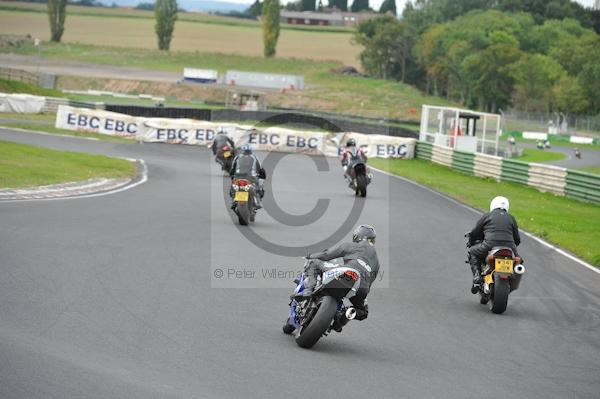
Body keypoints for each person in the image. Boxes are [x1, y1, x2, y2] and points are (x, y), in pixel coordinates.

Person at [299, 225, 380, 324]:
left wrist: (310, 256)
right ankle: (343, 318)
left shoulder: (354, 245)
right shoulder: (377, 262)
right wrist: (363, 295)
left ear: (357, 236)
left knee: (314, 262)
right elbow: (370, 282)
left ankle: (308, 290)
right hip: (362, 287)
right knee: (363, 311)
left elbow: (327, 255)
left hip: (347, 273)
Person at [467, 196, 521, 293]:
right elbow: (517, 239)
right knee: (519, 262)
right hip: (510, 249)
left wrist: (471, 242)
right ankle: (512, 281)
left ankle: (477, 277)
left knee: (472, 252)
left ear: (493, 204)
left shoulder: (487, 215)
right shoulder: (511, 218)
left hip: (489, 246)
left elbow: (475, 232)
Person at [229, 144, 266, 208]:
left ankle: (234, 200)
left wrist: (232, 176)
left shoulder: (237, 157)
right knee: (259, 188)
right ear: (250, 151)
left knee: (232, 187)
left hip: (238, 177)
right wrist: (262, 176)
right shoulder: (254, 157)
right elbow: (260, 168)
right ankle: (257, 201)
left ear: (242, 151)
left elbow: (232, 169)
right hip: (251, 177)